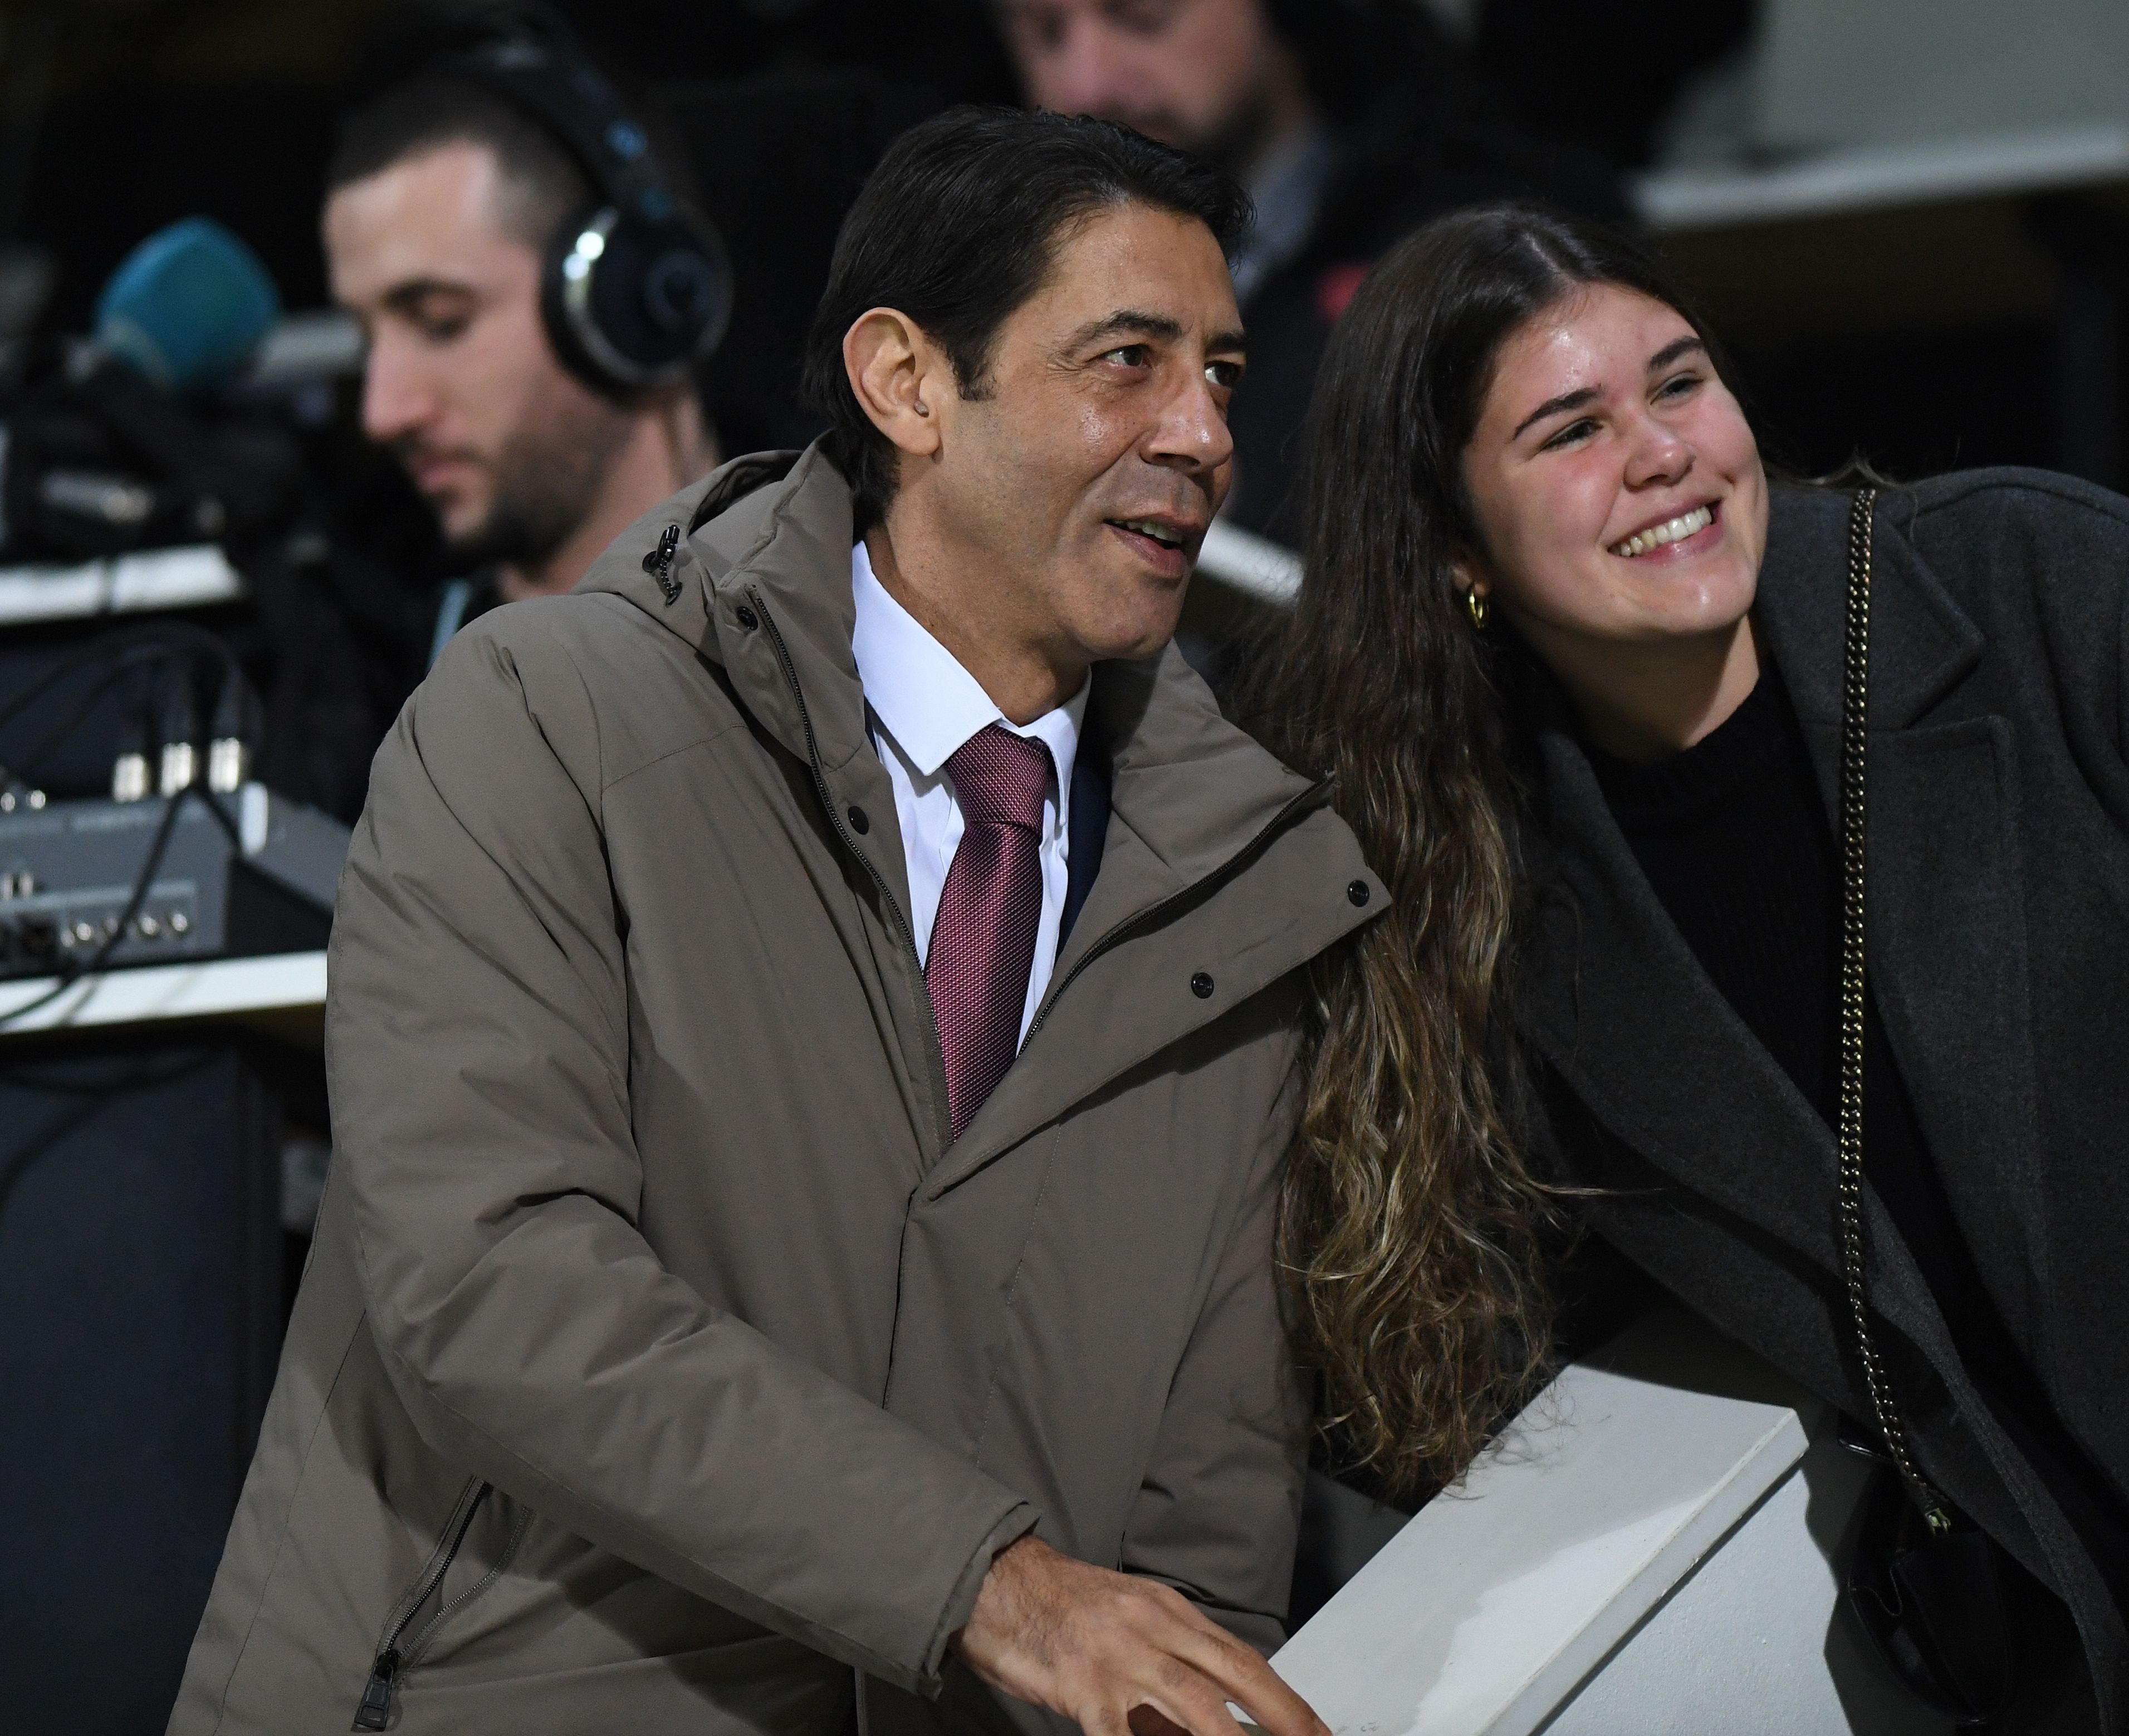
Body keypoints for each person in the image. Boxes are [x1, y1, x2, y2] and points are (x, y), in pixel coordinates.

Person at [1244, 206, 2129, 1734]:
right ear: (1458, 549)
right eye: (1569, 430)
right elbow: (1440, 1336)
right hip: (2125, 1655)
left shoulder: (2044, 583)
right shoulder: (1506, 916)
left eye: (1679, 383)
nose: (1663, 450)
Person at [169, 107, 1379, 1736]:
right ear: (903, 384)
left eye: (1220, 373)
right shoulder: (540, 720)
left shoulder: (1251, 877)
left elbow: (1209, 1500)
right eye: (1126, 359)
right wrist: (990, 1584)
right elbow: (495, 1285)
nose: (1203, 433)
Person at [996, 0, 1621, 540]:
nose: (1085, 84)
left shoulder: (1484, 235)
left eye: (1142, 17)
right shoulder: (1009, 265)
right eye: (1044, 32)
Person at [321, 50, 723, 678]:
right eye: (367, 342)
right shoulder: (389, 692)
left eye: (439, 322)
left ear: (624, 303)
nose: (381, 413)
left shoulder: (864, 624)